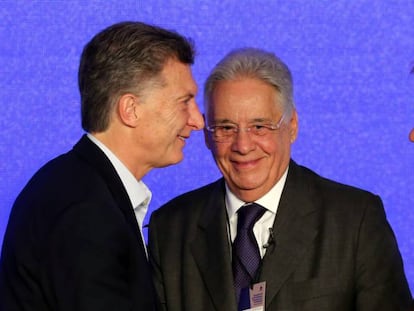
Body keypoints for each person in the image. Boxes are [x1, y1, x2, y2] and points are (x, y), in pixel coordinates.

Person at [148, 47, 412, 310]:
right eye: (226, 128)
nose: (243, 145)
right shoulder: (170, 229)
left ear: (292, 125)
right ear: (207, 134)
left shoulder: (355, 220)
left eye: (259, 127)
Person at [0, 21, 204, 311]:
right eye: (185, 101)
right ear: (130, 109)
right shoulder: (86, 211)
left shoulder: (78, 187)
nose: (198, 121)